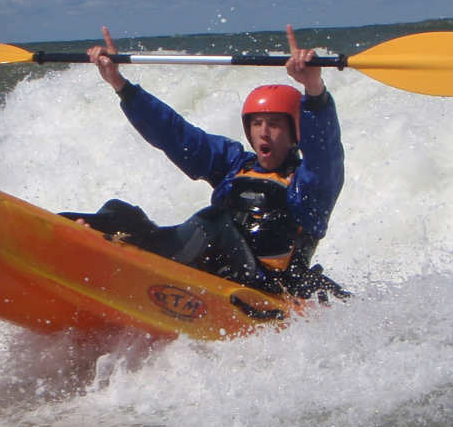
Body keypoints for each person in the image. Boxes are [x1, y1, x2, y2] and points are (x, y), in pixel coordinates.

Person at [61, 24, 346, 298]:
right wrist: (120, 85)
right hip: (211, 276)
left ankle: (133, 260)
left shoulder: (308, 186)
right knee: (118, 213)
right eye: (257, 123)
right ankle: (76, 239)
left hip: (262, 289)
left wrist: (313, 89)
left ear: (296, 131)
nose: (263, 132)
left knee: (213, 222)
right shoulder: (234, 165)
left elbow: (325, 152)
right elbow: (174, 134)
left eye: (274, 124)